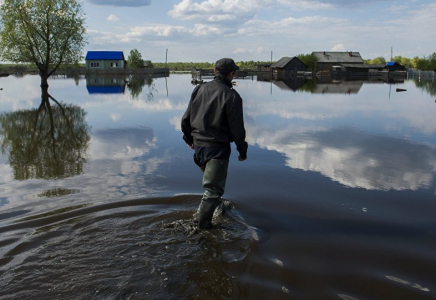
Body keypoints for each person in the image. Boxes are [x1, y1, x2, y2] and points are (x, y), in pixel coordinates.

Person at [181, 58, 248, 229]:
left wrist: (189, 139)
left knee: (212, 185)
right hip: (217, 149)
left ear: (214, 70)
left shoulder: (199, 89)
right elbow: (237, 129)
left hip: (198, 148)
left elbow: (186, 118)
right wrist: (242, 149)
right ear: (231, 74)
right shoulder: (232, 96)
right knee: (213, 190)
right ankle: (201, 228)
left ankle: (216, 207)